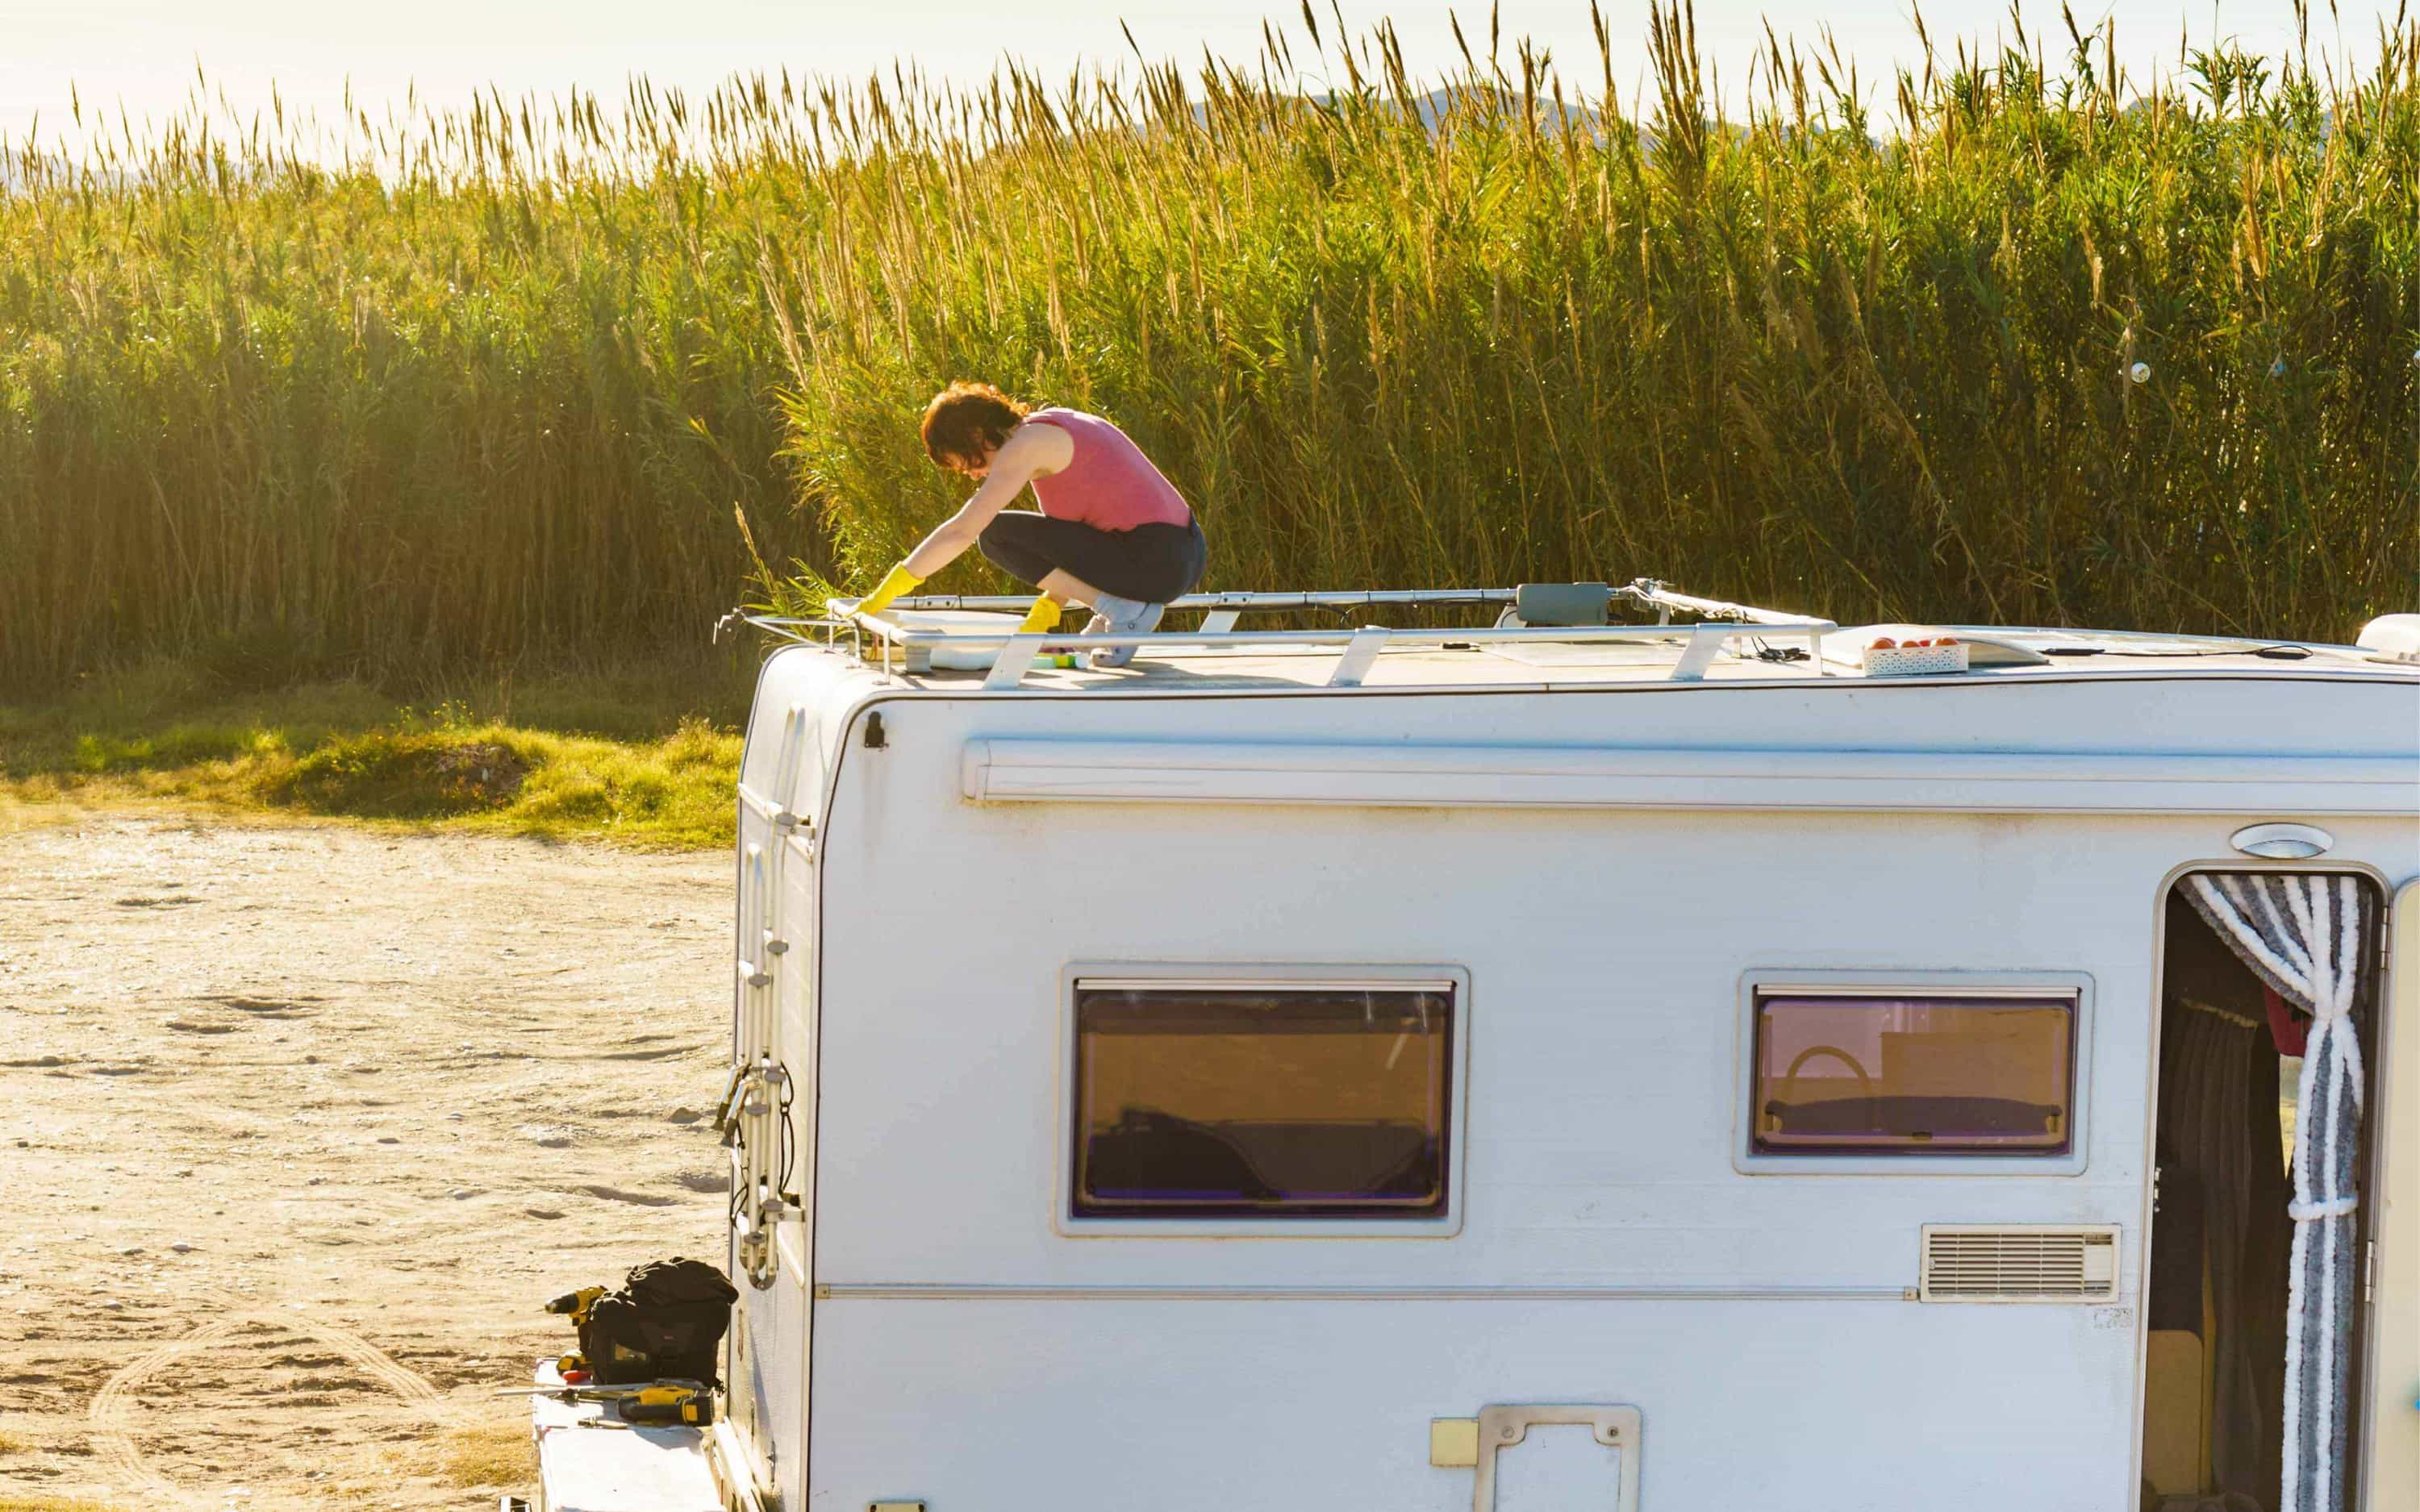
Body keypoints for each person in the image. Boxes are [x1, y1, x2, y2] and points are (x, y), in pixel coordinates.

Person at [850, 382, 1207, 669]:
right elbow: (1069, 556)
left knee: (994, 534)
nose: (972, 474)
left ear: (976, 435)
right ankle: (1119, 608)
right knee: (1007, 533)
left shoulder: (1026, 447)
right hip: (1178, 555)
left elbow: (962, 530)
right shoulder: (1051, 429)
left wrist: (885, 593)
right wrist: (1038, 622)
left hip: (1156, 557)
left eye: (965, 464)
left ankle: (1124, 610)